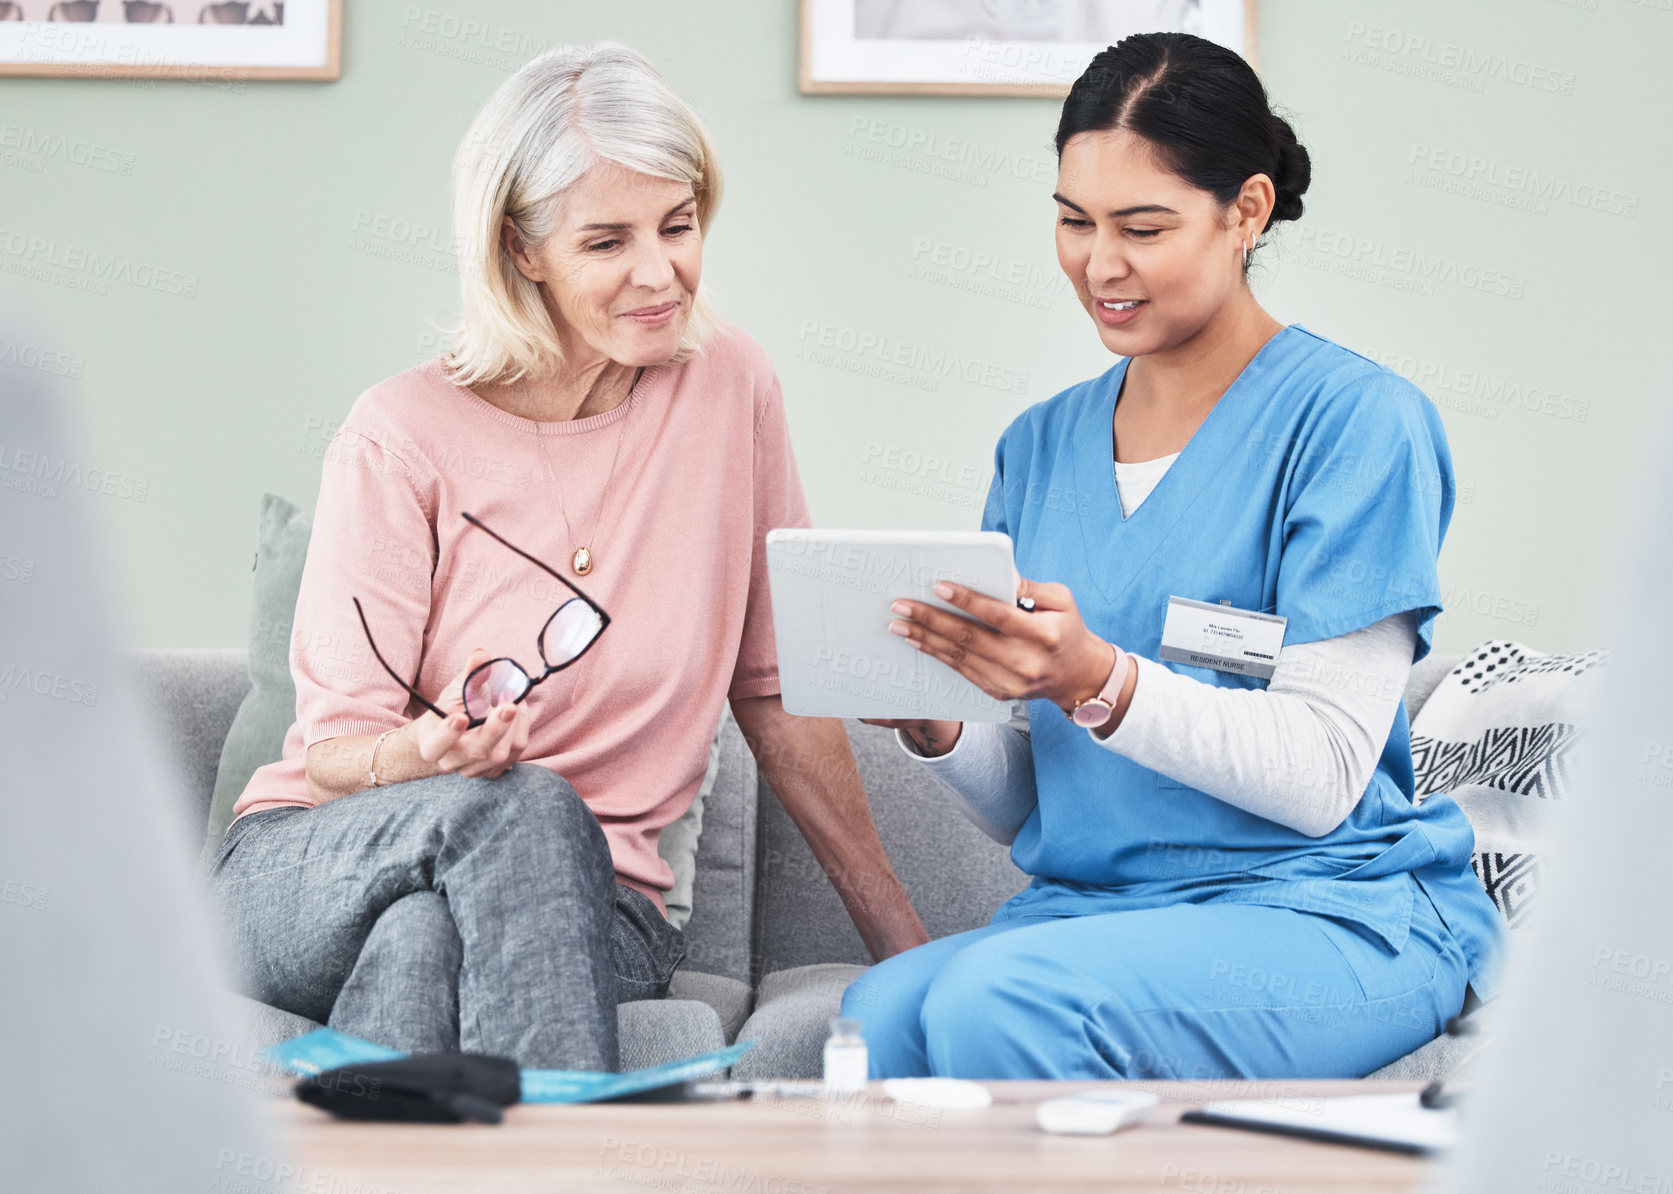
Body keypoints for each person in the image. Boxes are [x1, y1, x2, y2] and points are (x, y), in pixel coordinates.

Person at [204, 42, 926, 1073]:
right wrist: (427, 760)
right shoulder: (397, 434)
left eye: (677, 226)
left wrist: (910, 950)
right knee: (520, 806)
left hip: (598, 906)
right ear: (521, 248)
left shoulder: (730, 391)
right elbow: (336, 750)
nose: (658, 271)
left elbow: (775, 689)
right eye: (605, 241)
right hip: (314, 864)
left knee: (422, 944)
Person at [847, 31, 1505, 1080]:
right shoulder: (1037, 447)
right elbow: (1040, 801)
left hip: (1323, 908)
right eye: (1071, 222)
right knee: (875, 1016)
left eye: (1140, 227)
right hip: (1107, 912)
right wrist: (940, 728)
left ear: (1244, 210)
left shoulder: (1354, 426)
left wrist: (1097, 679)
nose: (1098, 265)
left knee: (1001, 1000)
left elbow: (1323, 775)